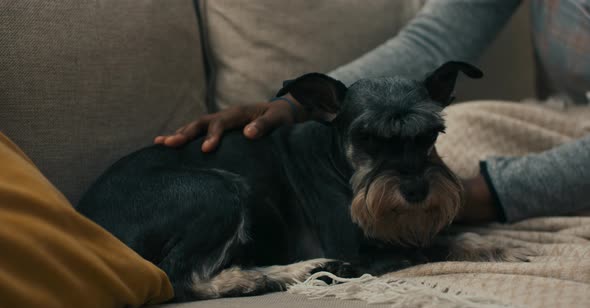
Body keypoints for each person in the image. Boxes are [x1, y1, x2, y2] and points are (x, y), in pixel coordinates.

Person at [154, 1, 590, 224]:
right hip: (559, 117)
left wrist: (471, 198)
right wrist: (289, 107)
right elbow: (432, 44)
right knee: (472, 122)